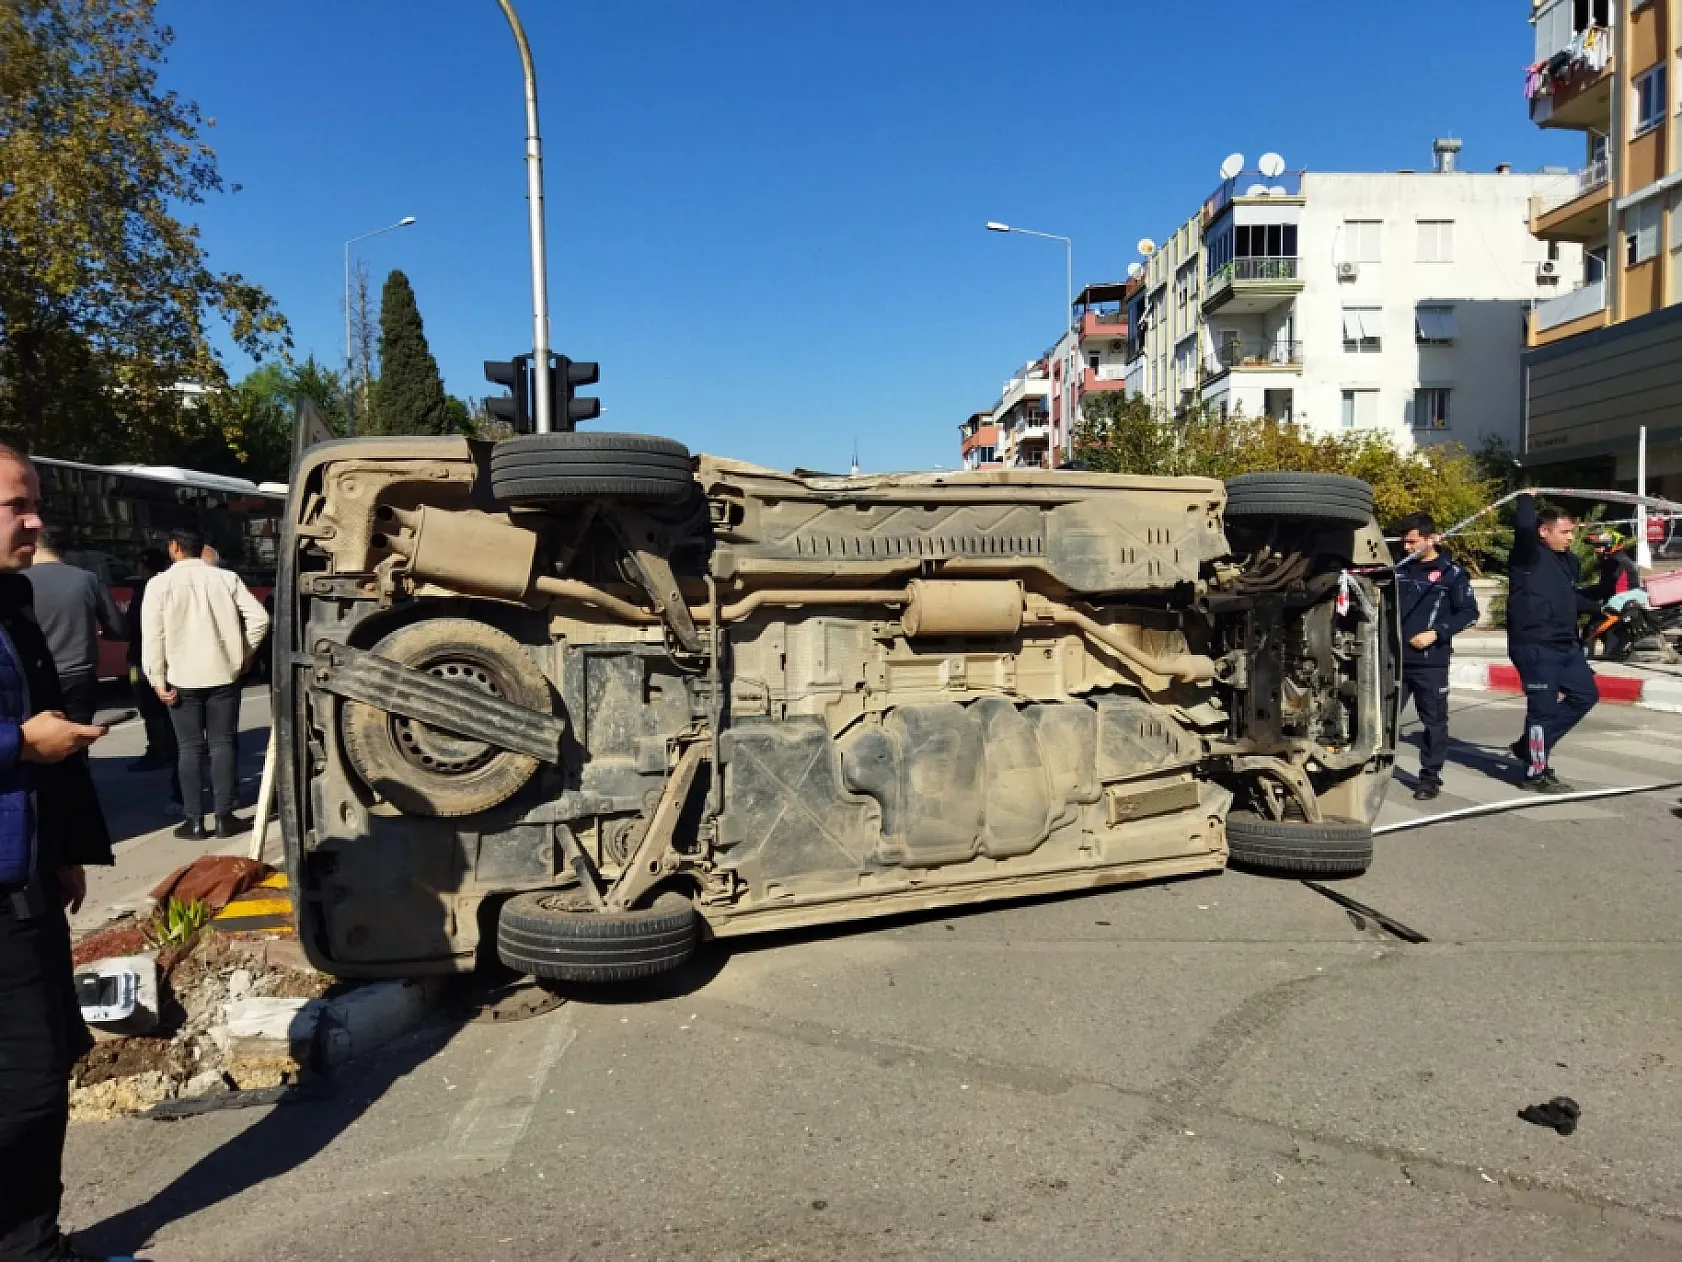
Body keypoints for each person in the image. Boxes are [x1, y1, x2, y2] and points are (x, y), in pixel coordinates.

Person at [0, 445, 125, 1262]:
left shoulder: (12, 602)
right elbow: (30, 733)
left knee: (44, 1069)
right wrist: (17, 743)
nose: (38, 521)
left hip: (26, 874)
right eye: (17, 505)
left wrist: (64, 849)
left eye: (35, 502)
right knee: (28, 1081)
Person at [141, 528, 269, 841]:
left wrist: (156, 678)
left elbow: (153, 636)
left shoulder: (159, 585)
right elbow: (260, 619)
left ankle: (194, 820)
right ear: (201, 549)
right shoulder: (227, 579)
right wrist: (243, 656)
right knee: (223, 744)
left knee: (189, 747)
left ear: (174, 548)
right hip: (224, 673)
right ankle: (225, 816)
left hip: (181, 678)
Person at [1506, 493, 1601, 792]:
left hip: (1566, 645)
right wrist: (1525, 499)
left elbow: (1568, 597)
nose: (1571, 538)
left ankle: (1529, 745)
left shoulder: (1568, 562)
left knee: (1584, 695)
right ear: (1543, 531)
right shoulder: (1527, 555)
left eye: (1572, 531)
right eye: (1565, 532)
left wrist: (1603, 608)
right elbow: (1523, 528)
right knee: (1542, 711)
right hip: (1535, 645)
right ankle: (1535, 772)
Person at [1395, 513, 1479, 801]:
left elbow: (1469, 613)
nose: (1407, 547)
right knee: (1382, 721)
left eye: (1412, 542)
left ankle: (1429, 778)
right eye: (1404, 542)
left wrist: (1437, 632)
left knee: (1433, 722)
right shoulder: (1397, 568)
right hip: (1394, 659)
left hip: (1430, 661)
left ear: (1431, 539)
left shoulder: (1451, 573)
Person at [25, 528, 124, 727]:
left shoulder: (17, 581)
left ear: (34, 546)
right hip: (79, 675)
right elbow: (119, 628)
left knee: (39, 743)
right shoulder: (87, 579)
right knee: (77, 740)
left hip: (33, 677)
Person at [122, 551, 181, 801]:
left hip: (143, 660)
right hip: (171, 660)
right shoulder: (169, 588)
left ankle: (158, 751)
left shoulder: (145, 592)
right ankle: (167, 747)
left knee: (150, 708)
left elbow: (133, 629)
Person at [1582, 526, 1642, 604]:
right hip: (1619, 604)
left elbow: (1604, 589)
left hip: (1621, 607)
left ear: (1610, 545)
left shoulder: (1616, 562)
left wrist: (1581, 593)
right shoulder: (1615, 559)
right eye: (1595, 546)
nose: (1596, 549)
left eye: (1599, 546)